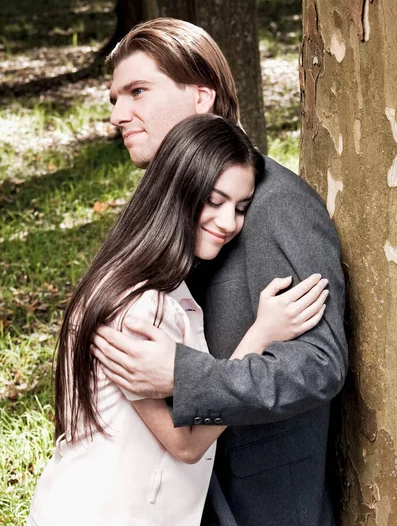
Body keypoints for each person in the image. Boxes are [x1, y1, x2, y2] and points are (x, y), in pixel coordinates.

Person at [92, 18, 348, 526]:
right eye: (115, 98)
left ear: (201, 98)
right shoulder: (166, 206)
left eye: (137, 91)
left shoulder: (276, 202)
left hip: (260, 502)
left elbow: (321, 364)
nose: (119, 114)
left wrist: (186, 375)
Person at [27, 115, 328, 526]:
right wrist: (260, 333)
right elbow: (184, 444)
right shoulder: (140, 308)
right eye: (214, 201)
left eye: (240, 208)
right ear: (177, 189)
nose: (228, 223)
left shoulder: (136, 280)